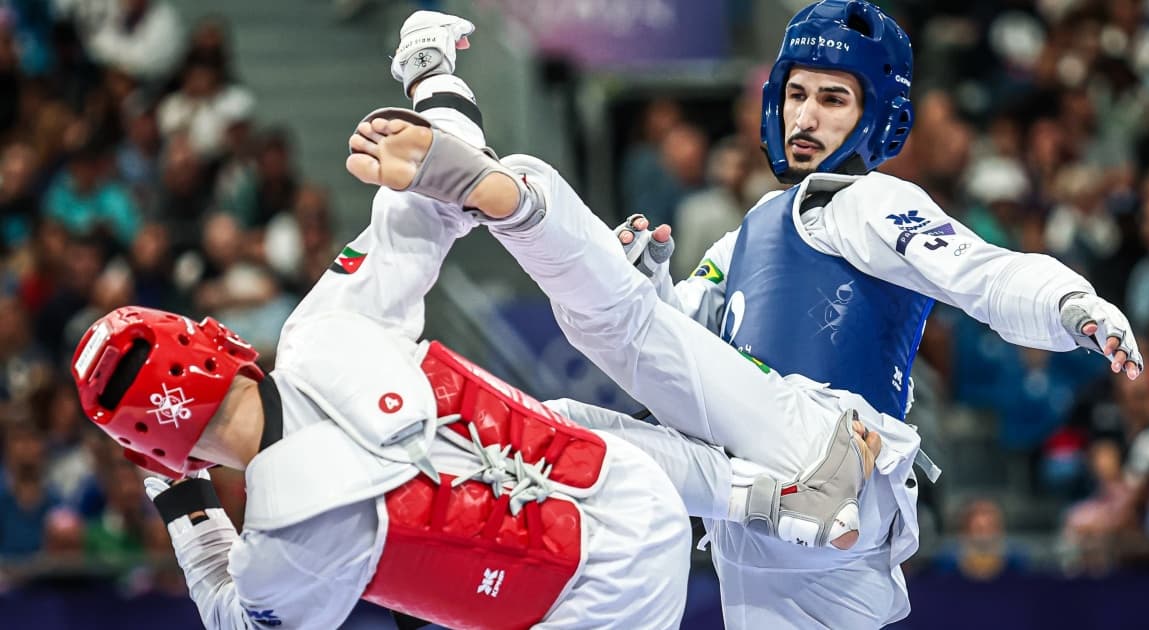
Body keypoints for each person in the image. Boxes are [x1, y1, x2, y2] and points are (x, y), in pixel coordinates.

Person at [345, 3, 1145, 627]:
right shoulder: (743, 236)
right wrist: (658, 284)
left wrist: (1074, 304)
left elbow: (981, 272)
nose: (805, 117)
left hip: (837, 455)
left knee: (616, 324)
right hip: (769, 517)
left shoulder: (865, 199)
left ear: (876, 116)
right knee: (566, 437)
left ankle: (469, 143)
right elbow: (687, 362)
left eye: (832, 99)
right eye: (796, 94)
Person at [69, 14, 697, 629]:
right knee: (545, 395)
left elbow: (229, 615)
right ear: (222, 342)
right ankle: (748, 488)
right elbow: (435, 187)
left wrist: (177, 496)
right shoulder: (324, 330)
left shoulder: (282, 543)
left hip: (600, 601)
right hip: (635, 488)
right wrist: (431, 73)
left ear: (154, 448)